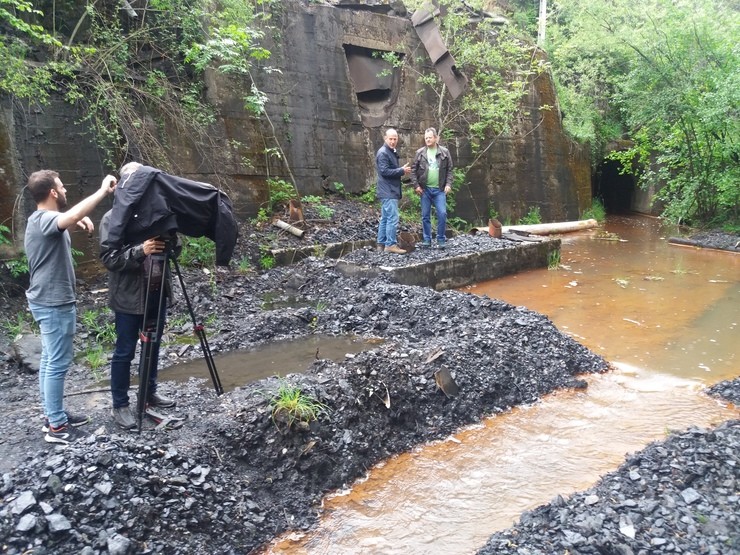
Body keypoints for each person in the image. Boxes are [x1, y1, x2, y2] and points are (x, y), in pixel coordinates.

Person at [25, 169, 117, 444]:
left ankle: (53, 415)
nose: (65, 191)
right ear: (53, 192)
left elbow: (66, 219)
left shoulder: (42, 218)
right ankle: (57, 426)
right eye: (62, 187)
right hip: (53, 301)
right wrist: (103, 191)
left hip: (47, 299)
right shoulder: (44, 220)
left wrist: (76, 220)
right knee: (57, 362)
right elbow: (70, 216)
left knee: (49, 360)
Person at [99, 162, 179, 431]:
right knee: (124, 352)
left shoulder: (157, 216)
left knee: (153, 346)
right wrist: (140, 251)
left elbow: (174, 254)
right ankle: (120, 405)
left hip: (156, 293)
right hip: (128, 299)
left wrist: (170, 241)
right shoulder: (111, 219)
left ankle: (148, 394)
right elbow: (109, 259)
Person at [411, 127, 454, 249]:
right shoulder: (420, 153)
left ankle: (440, 238)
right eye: (426, 138)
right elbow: (413, 171)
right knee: (425, 215)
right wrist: (416, 186)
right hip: (425, 190)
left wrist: (448, 184)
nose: (428, 140)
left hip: (439, 190)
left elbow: (450, 170)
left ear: (436, 138)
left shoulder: (444, 152)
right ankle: (427, 239)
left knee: (442, 213)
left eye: (430, 137)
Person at [375, 128, 411, 254]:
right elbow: (384, 171)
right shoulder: (384, 153)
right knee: (392, 218)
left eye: (395, 139)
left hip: (387, 190)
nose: (393, 141)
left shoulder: (390, 151)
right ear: (385, 139)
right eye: (390, 139)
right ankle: (390, 244)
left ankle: (381, 244)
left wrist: (400, 170)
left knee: (385, 218)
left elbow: (387, 170)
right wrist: (401, 171)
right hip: (388, 191)